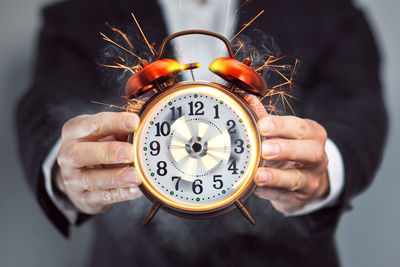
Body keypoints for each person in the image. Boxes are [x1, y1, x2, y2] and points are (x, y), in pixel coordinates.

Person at [16, 0, 387, 266]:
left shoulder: (332, 12)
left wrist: (322, 170)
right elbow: (46, 110)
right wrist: (66, 169)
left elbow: (361, 113)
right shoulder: (77, 13)